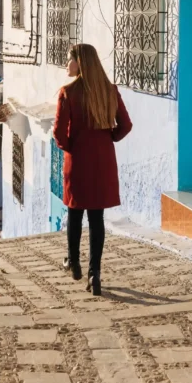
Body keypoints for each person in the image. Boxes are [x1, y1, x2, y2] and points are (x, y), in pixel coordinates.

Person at [53, 43, 132, 295]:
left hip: (78, 159)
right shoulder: (109, 90)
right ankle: (94, 274)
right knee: (96, 218)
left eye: (69, 60)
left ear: (81, 63)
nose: (67, 65)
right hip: (102, 160)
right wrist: (109, 138)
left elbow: (58, 132)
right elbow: (126, 125)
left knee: (75, 212)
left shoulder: (68, 92)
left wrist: (70, 146)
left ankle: (73, 262)